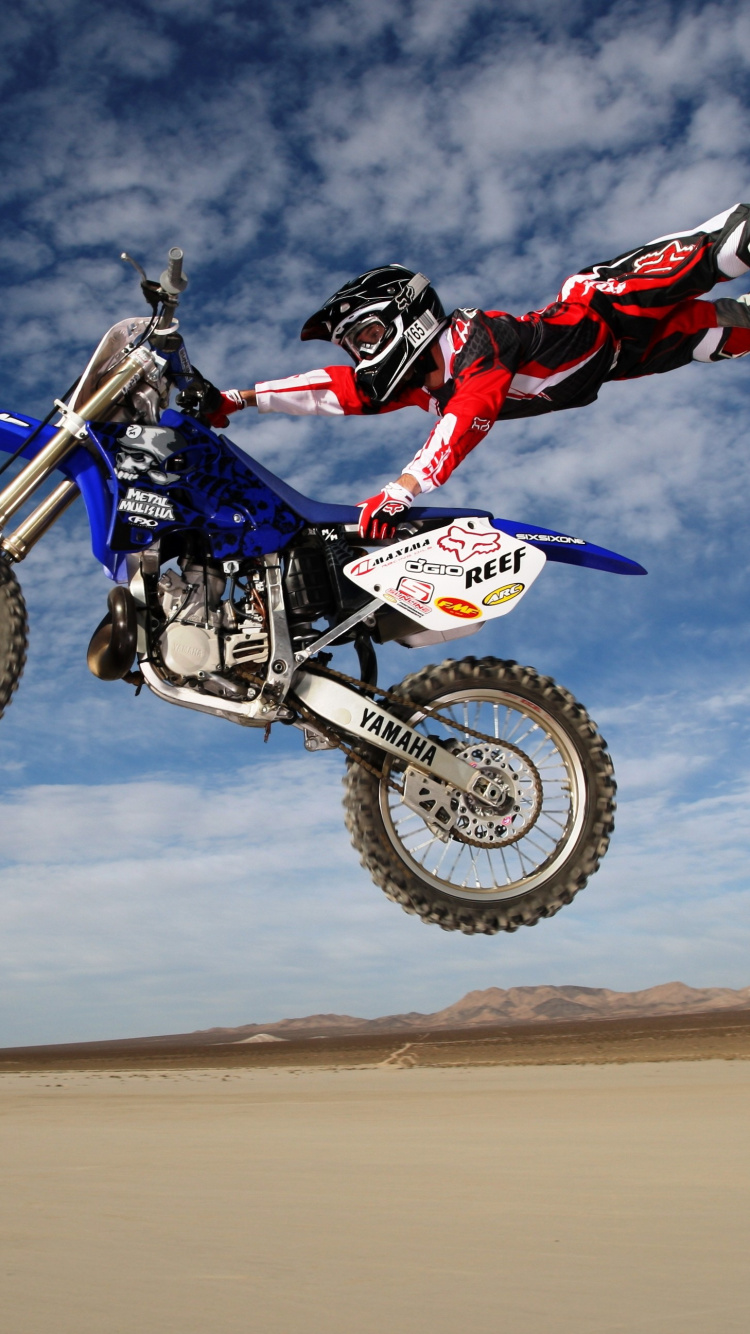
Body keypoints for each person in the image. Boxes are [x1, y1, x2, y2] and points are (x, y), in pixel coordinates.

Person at [182, 203, 750, 540]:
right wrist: (238, 398)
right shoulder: (418, 384)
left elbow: (471, 414)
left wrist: (402, 489)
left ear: (403, 318)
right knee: (731, 334)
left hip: (604, 305)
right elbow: (334, 390)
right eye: (355, 346)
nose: (361, 356)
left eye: (368, 337)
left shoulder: (474, 339)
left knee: (726, 249)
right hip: (628, 358)